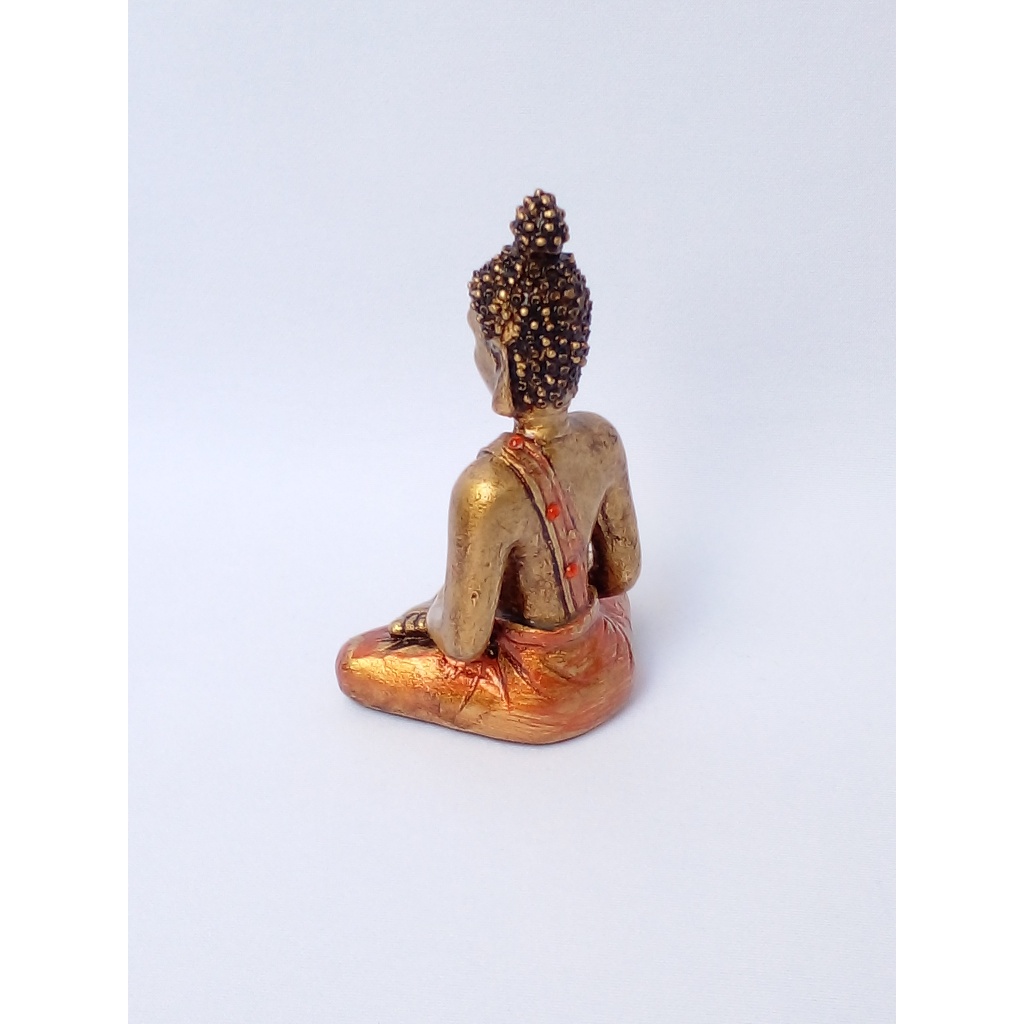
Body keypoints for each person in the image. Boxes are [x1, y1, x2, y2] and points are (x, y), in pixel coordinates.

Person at [337, 190, 641, 743]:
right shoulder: (602, 437)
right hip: (608, 660)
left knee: (357, 660)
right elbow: (621, 577)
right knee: (602, 609)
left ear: (503, 361)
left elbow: (463, 644)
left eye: (479, 343)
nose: (475, 356)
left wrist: (434, 612)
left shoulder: (487, 488)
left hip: (537, 693)